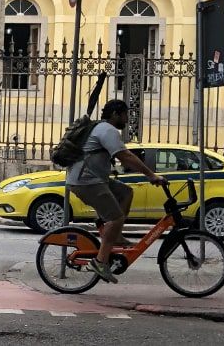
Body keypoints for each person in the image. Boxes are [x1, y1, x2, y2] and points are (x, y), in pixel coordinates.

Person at [66, 98, 166, 283]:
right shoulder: (107, 130)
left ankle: (114, 235)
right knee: (116, 217)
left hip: (94, 179)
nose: (127, 119)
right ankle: (100, 261)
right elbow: (125, 155)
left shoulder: (101, 128)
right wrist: (151, 175)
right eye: (125, 114)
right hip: (86, 182)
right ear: (115, 114)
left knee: (126, 193)